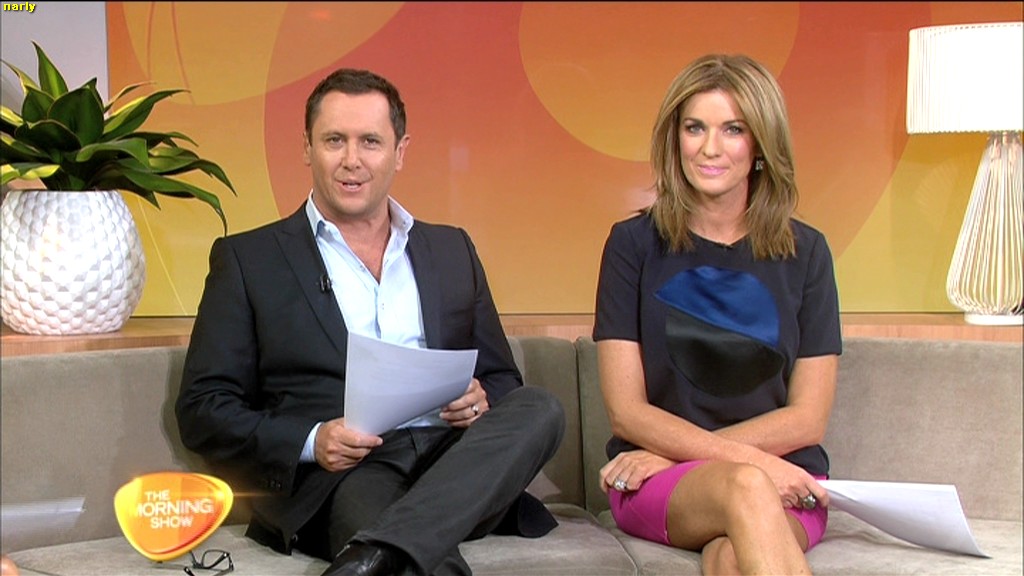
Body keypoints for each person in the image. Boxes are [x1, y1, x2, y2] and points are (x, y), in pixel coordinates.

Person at [175, 68, 565, 576]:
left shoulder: (452, 249)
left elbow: (502, 380)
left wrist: (480, 400)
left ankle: (370, 554)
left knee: (540, 408)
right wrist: (313, 439)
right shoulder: (250, 260)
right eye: (334, 140)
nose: (352, 160)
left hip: (455, 462)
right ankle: (388, 546)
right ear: (307, 148)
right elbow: (203, 409)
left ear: (400, 152)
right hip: (350, 475)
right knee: (411, 559)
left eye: (371, 142)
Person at [593, 54, 842, 575]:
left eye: (733, 129)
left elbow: (808, 418)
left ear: (761, 145)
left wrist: (684, 452)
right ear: (675, 139)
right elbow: (627, 412)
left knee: (732, 558)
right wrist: (732, 462)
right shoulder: (632, 245)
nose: (710, 147)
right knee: (745, 484)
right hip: (659, 483)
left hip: (784, 474)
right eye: (695, 128)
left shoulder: (808, 252)